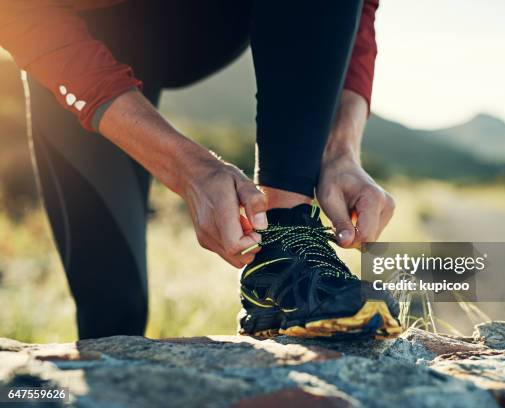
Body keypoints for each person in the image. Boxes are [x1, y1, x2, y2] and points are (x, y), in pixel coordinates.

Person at [0, 0, 399, 340]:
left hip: (212, 21)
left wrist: (340, 148)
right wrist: (187, 169)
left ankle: (284, 248)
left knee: (286, 235)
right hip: (74, 33)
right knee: (111, 307)